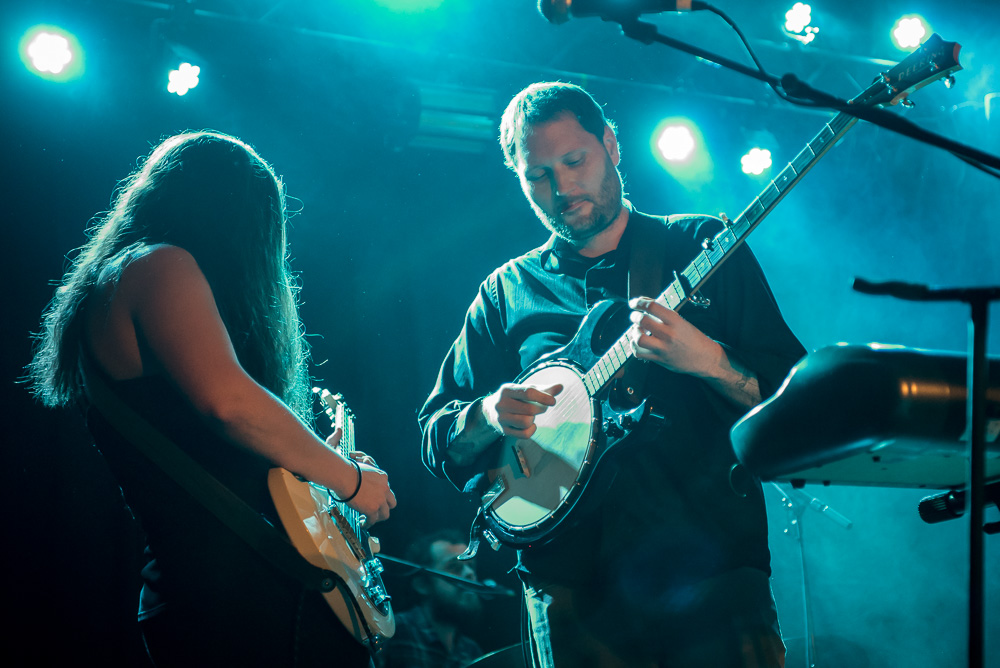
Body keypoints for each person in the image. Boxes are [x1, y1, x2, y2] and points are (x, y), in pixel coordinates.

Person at [418, 82, 806, 667]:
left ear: (612, 145)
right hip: (569, 588)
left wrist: (709, 361)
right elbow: (436, 436)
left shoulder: (699, 246)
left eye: (576, 161)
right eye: (539, 175)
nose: (563, 187)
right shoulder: (503, 294)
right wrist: (487, 413)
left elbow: (793, 402)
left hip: (713, 570)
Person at [27, 131, 396, 667]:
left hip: (211, 591)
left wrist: (315, 469)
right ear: (235, 214)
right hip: (242, 601)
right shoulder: (157, 265)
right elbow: (230, 405)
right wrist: (350, 480)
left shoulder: (125, 275)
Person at [376, 530, 485, 668]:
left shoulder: (471, 651)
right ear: (422, 584)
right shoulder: (392, 632)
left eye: (471, 566)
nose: (470, 574)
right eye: (454, 566)